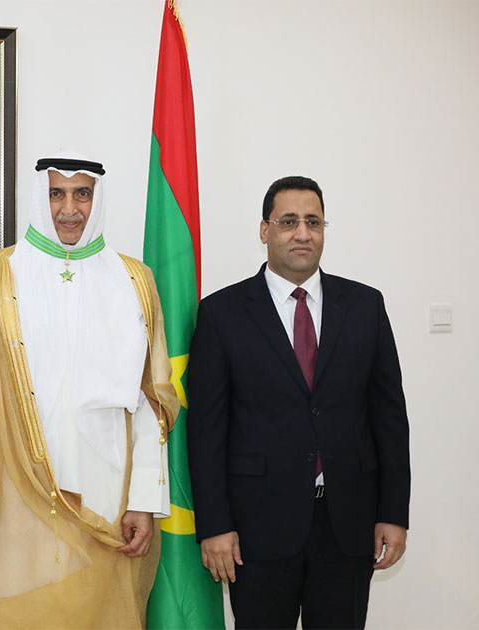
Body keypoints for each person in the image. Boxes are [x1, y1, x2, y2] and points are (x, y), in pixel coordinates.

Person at [0, 153, 179, 628]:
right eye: (56, 193)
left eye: (82, 193)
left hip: (106, 498)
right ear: (41, 198)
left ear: (97, 198)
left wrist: (144, 499)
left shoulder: (133, 280)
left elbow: (152, 401)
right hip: (14, 498)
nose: (70, 209)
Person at [186, 176, 411, 629]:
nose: (302, 233)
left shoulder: (365, 306)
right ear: (264, 230)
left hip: (348, 525)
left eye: (313, 222)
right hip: (256, 530)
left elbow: (389, 418)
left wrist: (393, 513)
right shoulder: (221, 313)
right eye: (288, 222)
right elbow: (206, 432)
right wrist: (214, 525)